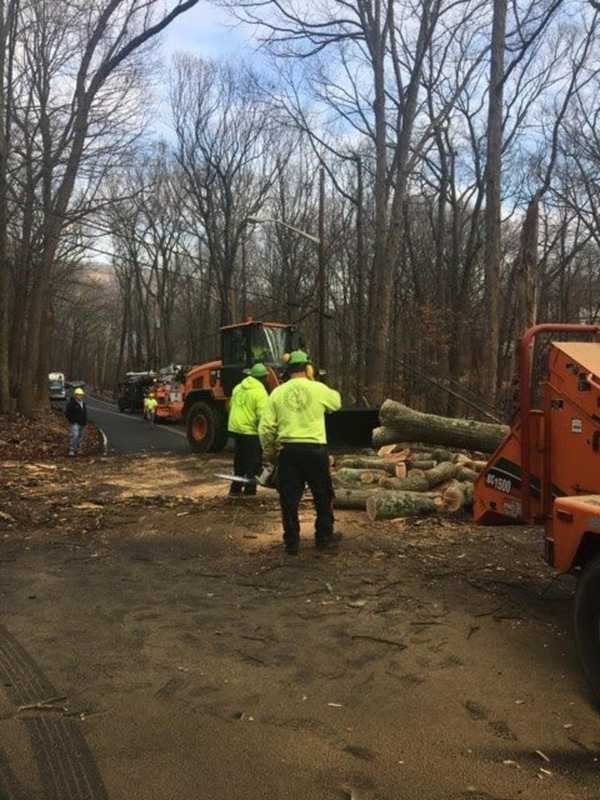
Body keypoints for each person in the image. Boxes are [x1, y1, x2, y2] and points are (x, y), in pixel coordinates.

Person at [259, 350, 342, 555]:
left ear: (288, 370)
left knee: (289, 499)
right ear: (308, 368)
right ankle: (323, 538)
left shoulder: (278, 392)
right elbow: (336, 403)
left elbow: (265, 428)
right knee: (323, 496)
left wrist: (270, 452)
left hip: (289, 451)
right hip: (315, 450)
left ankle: (291, 543)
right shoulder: (319, 389)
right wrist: (315, 381)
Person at [228, 362, 269, 496]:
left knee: (239, 459)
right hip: (250, 431)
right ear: (262, 377)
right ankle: (250, 490)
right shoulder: (260, 392)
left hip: (236, 428)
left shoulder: (238, 388)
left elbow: (231, 406)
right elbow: (262, 415)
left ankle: (235, 488)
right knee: (253, 461)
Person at [65, 387, 87, 456]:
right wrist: (72, 420)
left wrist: (85, 421)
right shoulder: (72, 403)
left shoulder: (83, 403)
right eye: (78, 395)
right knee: (74, 435)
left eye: (81, 395)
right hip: (75, 423)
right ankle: (71, 449)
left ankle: (78, 449)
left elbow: (84, 412)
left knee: (80, 436)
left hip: (82, 423)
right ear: (75, 395)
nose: (80, 396)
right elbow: (67, 413)